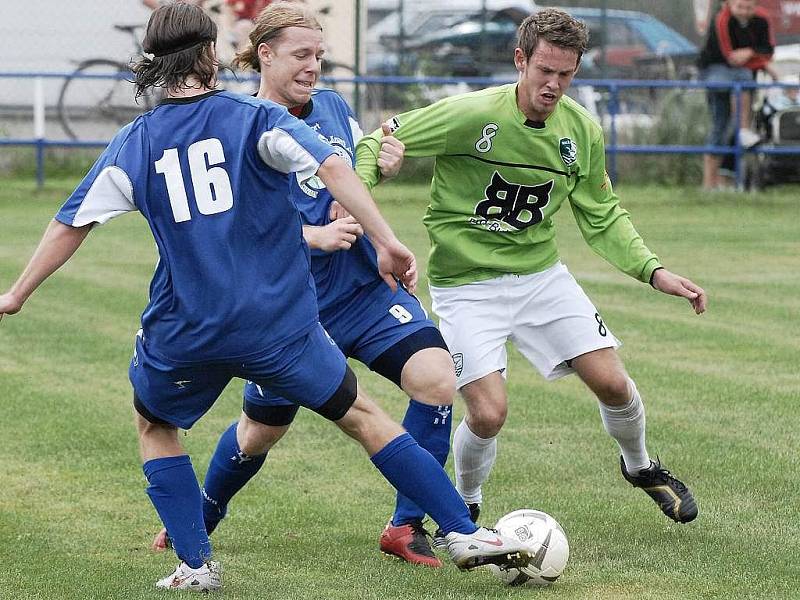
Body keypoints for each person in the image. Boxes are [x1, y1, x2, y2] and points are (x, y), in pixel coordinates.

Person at [0, 3, 534, 593]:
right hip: (276, 327)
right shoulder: (254, 118)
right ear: (212, 54)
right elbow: (333, 165)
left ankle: (196, 565)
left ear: (152, 63)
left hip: (187, 329)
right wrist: (387, 239)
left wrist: (17, 293)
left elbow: (70, 224)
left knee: (155, 425)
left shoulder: (135, 141)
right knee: (363, 416)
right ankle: (461, 530)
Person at [356, 8, 707, 539]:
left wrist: (653, 271)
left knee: (613, 383)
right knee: (489, 413)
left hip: (541, 278)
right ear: (520, 60)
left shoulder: (580, 132)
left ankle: (638, 466)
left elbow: (602, 215)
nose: (554, 84)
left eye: (566, 74)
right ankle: (466, 506)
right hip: (466, 287)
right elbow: (372, 142)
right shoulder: (472, 114)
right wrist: (357, 207)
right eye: (544, 70)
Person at [151, 1, 456, 568]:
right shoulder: (239, 126)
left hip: (363, 289)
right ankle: (205, 509)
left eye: (319, 55)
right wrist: (310, 238)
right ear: (264, 56)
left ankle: (407, 525)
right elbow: (228, 224)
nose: (314, 66)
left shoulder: (335, 107)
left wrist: (380, 165)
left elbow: (346, 177)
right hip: (292, 309)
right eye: (301, 55)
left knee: (436, 378)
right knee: (258, 434)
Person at [697, 0, 775, 190]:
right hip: (714, 71)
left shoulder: (762, 20)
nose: (744, 11)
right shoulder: (721, 19)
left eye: (749, 8)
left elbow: (768, 51)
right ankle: (709, 184)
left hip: (741, 73)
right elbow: (730, 56)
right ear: (728, 5)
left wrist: (749, 53)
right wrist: (762, 64)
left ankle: (742, 132)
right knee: (720, 126)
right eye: (740, 6)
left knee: (726, 128)